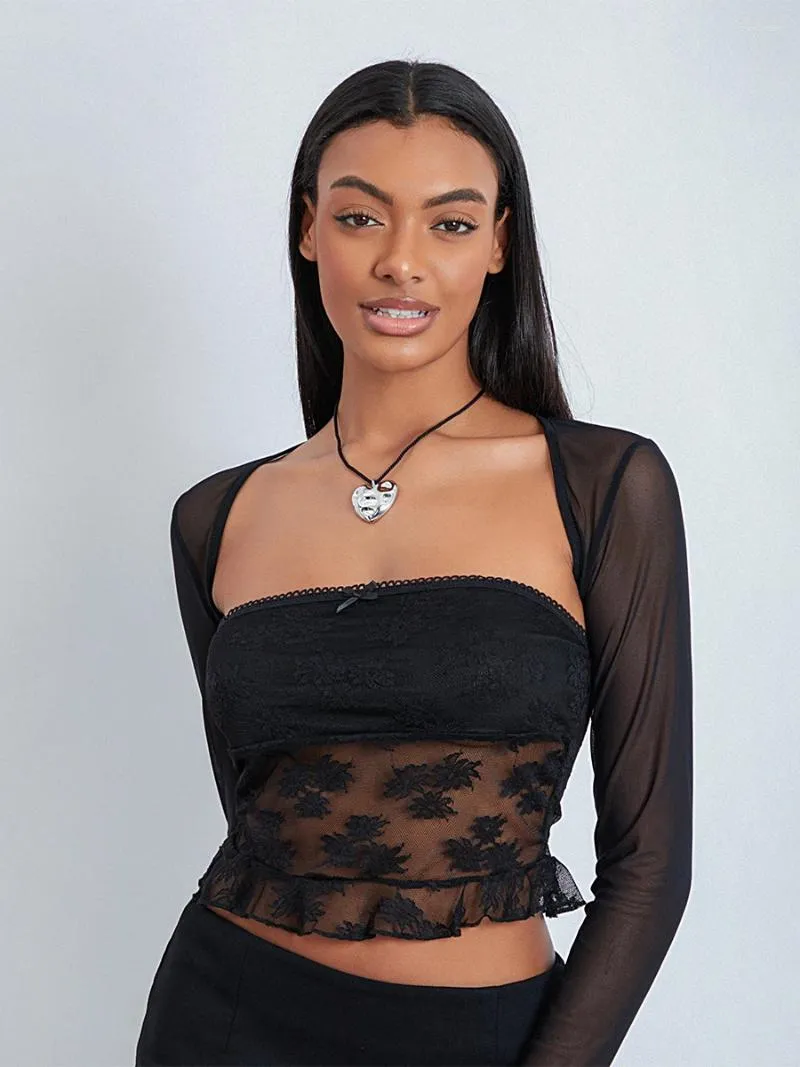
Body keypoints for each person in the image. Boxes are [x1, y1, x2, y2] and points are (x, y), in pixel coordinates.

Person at [134, 58, 693, 1067]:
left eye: (449, 223)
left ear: (498, 243)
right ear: (309, 229)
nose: (401, 262)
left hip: (477, 1036)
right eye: (360, 218)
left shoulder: (604, 486)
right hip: (221, 1018)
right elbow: (267, 818)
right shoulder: (216, 517)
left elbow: (648, 866)